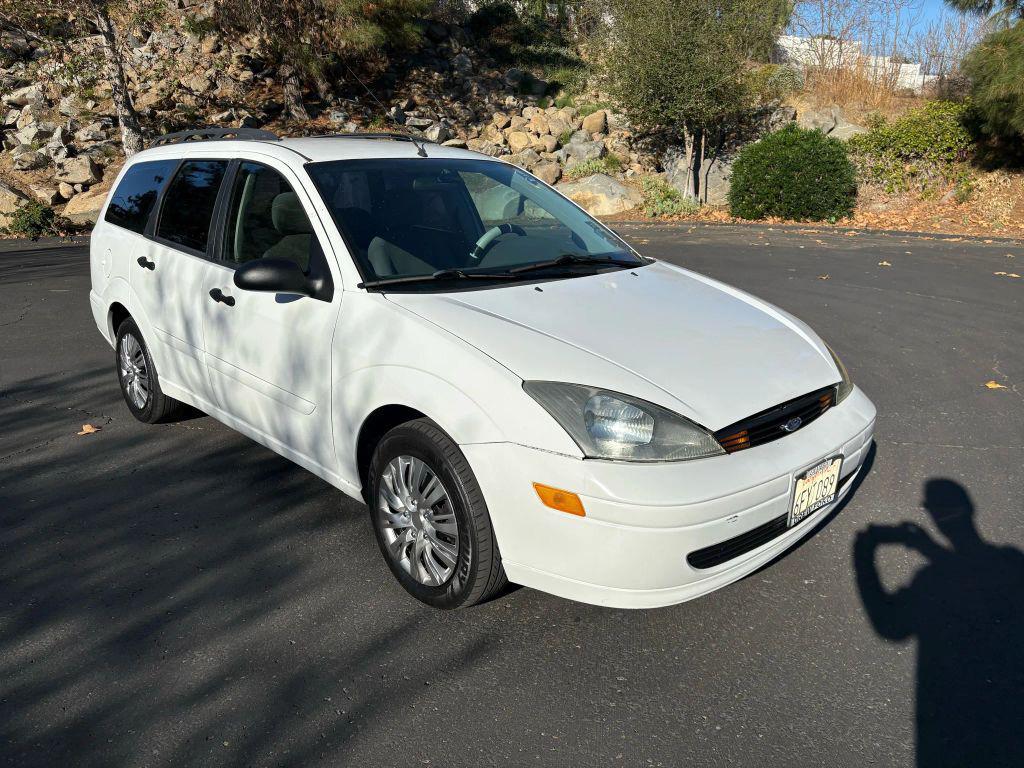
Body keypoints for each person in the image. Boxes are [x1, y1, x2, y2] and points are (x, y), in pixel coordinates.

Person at [854, 479, 1024, 766]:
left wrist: (863, 553)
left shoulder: (929, 581)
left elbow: (890, 627)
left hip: (949, 726)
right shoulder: (1013, 562)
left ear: (934, 515)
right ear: (969, 510)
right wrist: (929, 548)